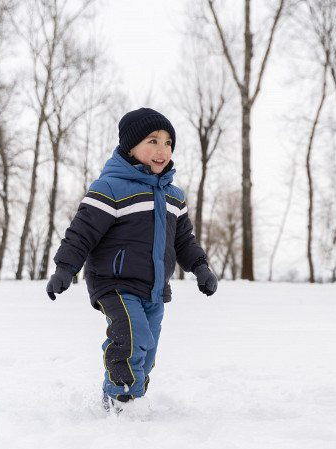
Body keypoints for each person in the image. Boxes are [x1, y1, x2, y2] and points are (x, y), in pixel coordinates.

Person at [45, 107, 218, 414]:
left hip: (153, 288)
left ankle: (128, 393)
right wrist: (65, 268)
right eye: (152, 140)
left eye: (168, 142)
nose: (162, 149)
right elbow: (81, 233)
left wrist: (201, 267)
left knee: (147, 346)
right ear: (130, 147)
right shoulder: (110, 188)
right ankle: (122, 400)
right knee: (132, 335)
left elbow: (183, 241)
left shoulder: (174, 196)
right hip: (115, 283)